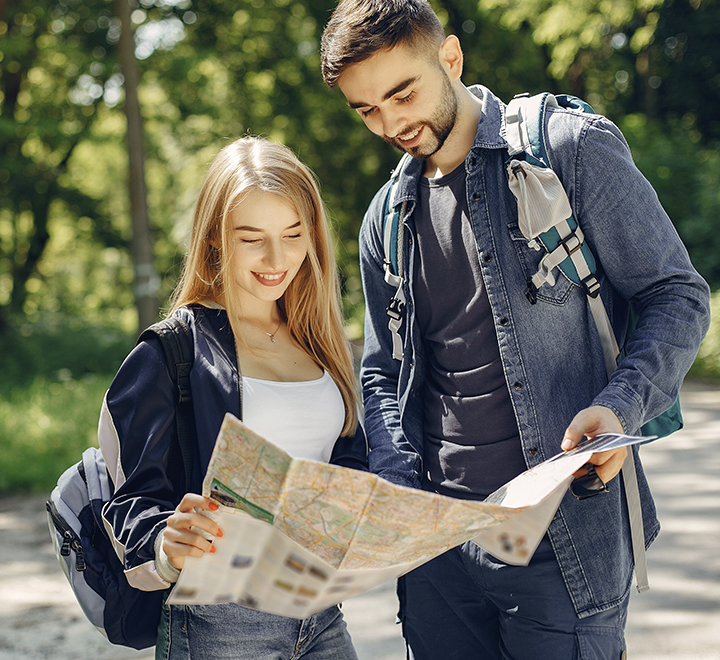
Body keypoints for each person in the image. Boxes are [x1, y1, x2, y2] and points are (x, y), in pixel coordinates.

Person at [320, 2, 711, 659]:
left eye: (402, 93)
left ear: (450, 57)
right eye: (366, 111)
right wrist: (394, 479)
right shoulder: (387, 215)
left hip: (563, 542)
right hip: (437, 556)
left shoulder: (570, 149)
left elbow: (677, 294)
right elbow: (382, 370)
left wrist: (618, 408)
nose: (391, 124)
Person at [99, 136, 367, 660]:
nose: (277, 258)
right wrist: (166, 543)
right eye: (252, 238)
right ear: (217, 239)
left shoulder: (321, 340)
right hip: (220, 621)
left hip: (319, 614)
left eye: (293, 234)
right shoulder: (173, 351)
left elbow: (345, 459)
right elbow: (129, 502)